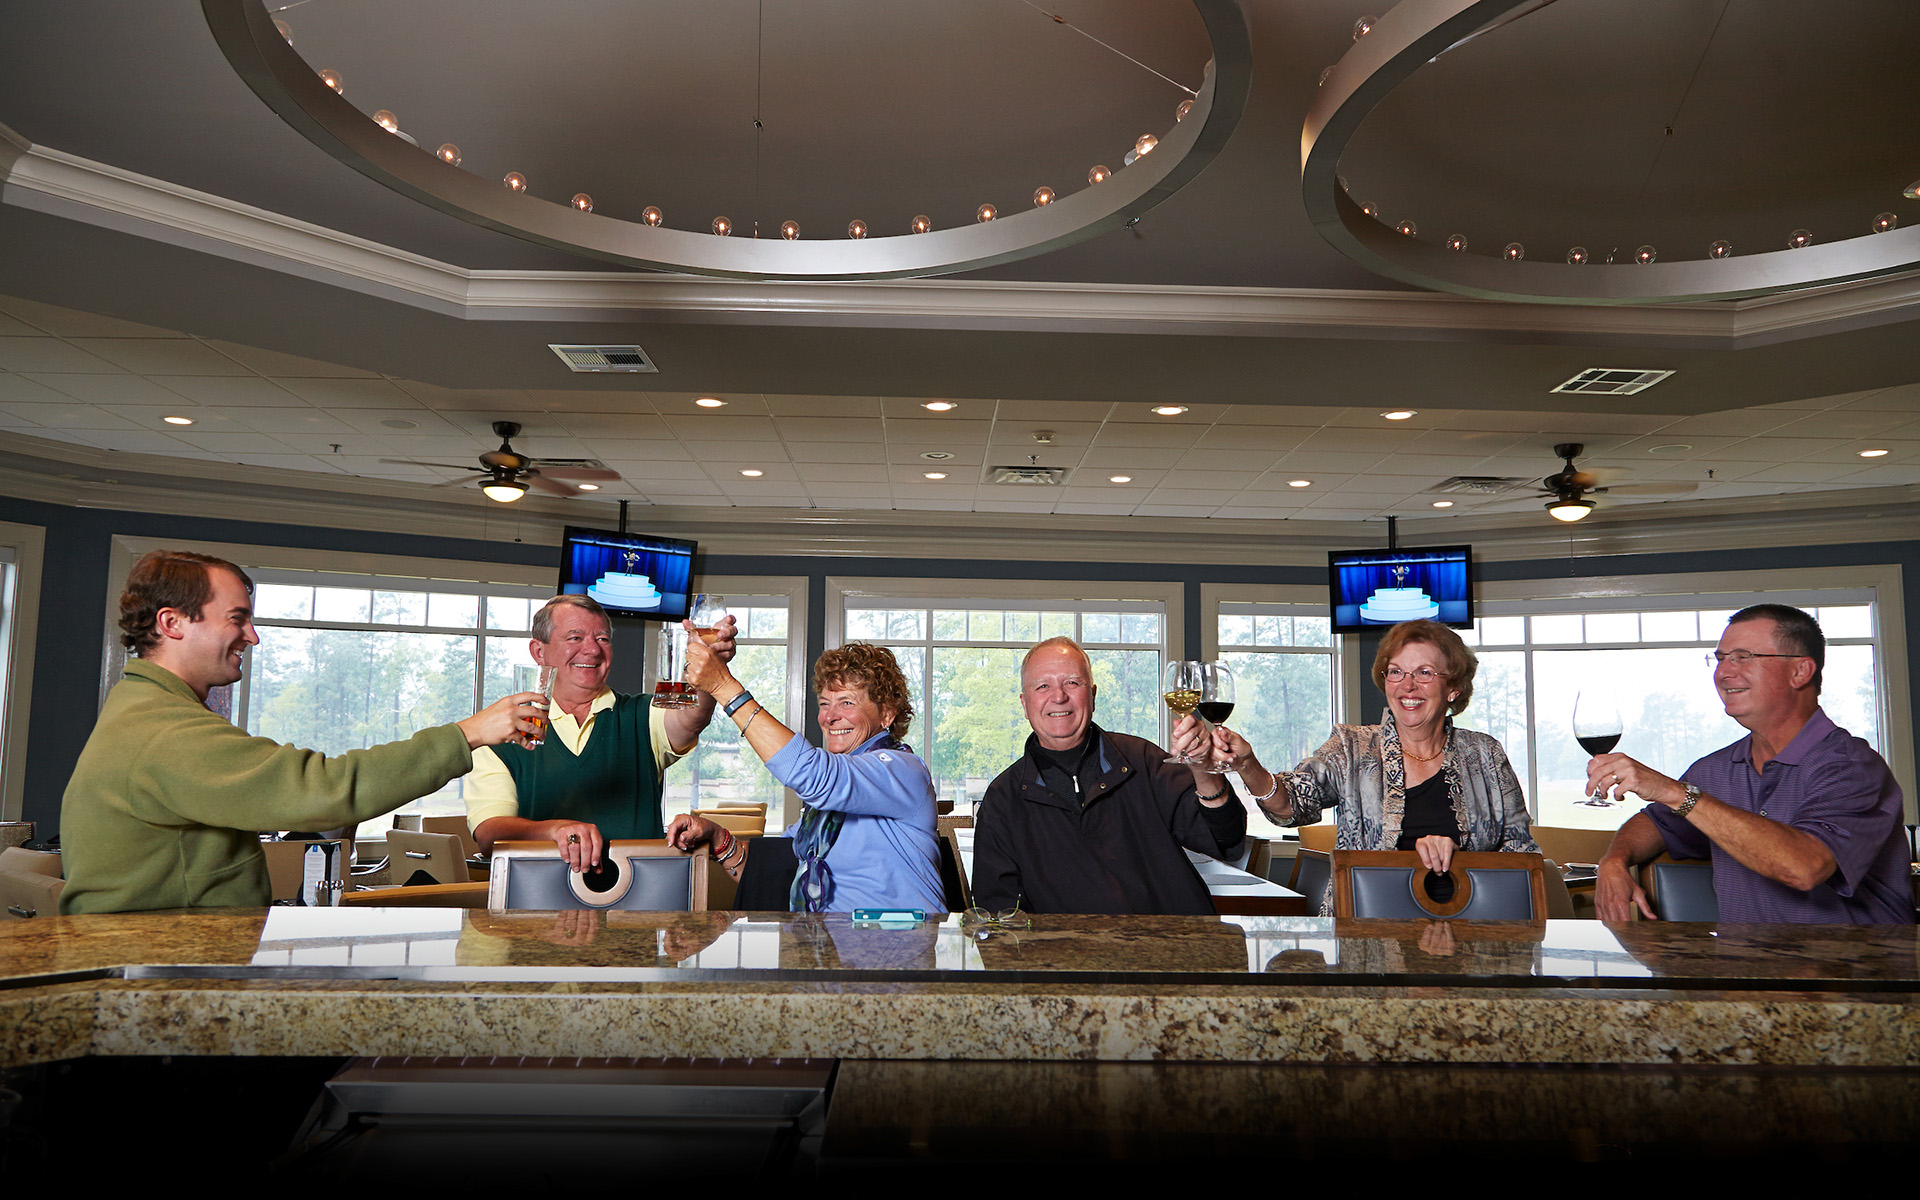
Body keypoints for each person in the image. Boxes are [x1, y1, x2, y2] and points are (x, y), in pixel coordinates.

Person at [59, 550, 540, 915]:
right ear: (172, 623)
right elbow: (324, 788)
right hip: (159, 977)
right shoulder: (164, 729)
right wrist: (468, 733)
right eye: (237, 619)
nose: (253, 636)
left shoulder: (143, 709)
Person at [1592, 604, 1914, 924]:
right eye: (1720, 659)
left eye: (1743, 657)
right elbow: (1657, 824)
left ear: (1800, 671)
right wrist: (1614, 861)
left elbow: (1805, 868)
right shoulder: (1715, 769)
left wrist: (1674, 792)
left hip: (1857, 972)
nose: (1723, 673)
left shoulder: (1852, 767)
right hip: (1747, 971)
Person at [1214, 619, 1536, 912]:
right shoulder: (1352, 748)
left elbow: (1524, 860)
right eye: (1396, 672)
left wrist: (1459, 856)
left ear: (1453, 688)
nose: (1407, 685)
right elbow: (1291, 805)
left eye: (1424, 672)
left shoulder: (1486, 754)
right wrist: (1248, 764)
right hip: (1365, 943)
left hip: (1474, 943)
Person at [665, 635, 945, 913]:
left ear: (886, 714)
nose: (830, 717)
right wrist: (717, 838)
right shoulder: (824, 816)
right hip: (833, 947)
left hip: (902, 945)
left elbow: (812, 773)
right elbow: (774, 867)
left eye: (847, 703)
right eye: (824, 703)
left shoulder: (902, 769)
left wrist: (724, 687)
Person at [970, 637, 1246, 915]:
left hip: (1171, 948)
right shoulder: (1003, 798)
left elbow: (1226, 842)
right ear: (1025, 704)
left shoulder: (1144, 761)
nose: (1058, 696)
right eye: (1042, 686)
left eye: (1072, 683)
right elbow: (997, 912)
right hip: (1066, 955)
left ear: (1092, 695)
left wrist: (1202, 770)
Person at [465, 594, 736, 872]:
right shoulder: (499, 732)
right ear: (539, 652)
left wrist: (710, 669)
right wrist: (556, 830)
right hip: (539, 904)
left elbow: (692, 718)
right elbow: (489, 833)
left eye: (603, 639)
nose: (593, 650)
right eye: (575, 638)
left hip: (642, 903)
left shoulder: (643, 714)